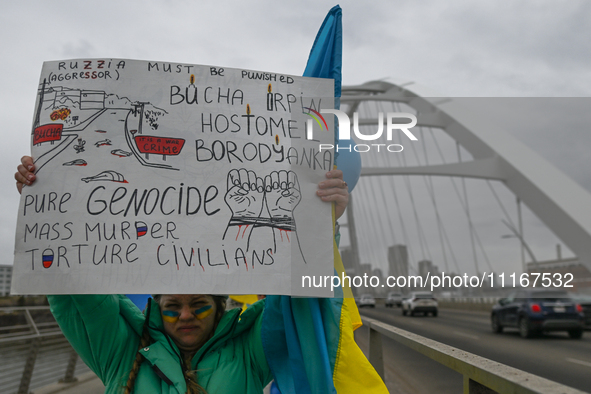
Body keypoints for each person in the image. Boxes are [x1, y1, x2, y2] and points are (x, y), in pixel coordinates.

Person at [15, 155, 350, 394]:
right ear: (157, 308)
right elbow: (74, 286)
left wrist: (322, 220)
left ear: (220, 307)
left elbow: (298, 295)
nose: (185, 315)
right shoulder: (121, 350)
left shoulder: (249, 349)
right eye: (172, 307)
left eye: (199, 305)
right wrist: (47, 195)